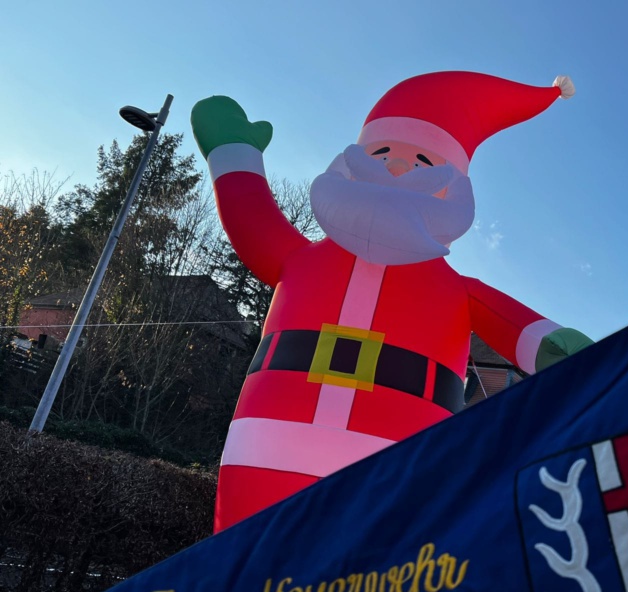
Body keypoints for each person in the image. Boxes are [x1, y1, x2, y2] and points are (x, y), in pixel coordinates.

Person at [191, 72, 593, 532]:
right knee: (246, 563)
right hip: (267, 451)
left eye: (423, 160)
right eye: (381, 153)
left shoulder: (457, 292)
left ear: (453, 187)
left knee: (380, 570)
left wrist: (555, 347)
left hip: (400, 468)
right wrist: (233, 151)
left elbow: (514, 326)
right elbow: (252, 220)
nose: (397, 167)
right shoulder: (299, 260)